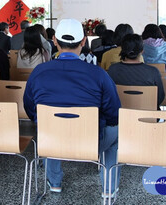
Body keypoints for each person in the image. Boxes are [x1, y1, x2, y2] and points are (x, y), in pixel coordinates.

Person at [23, 19, 121, 197]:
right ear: (83, 42)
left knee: (48, 126)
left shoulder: (39, 72)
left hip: (52, 139)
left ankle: (54, 182)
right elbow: (114, 112)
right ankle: (108, 189)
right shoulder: (99, 73)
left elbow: (30, 108)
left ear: (54, 41)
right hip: (90, 142)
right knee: (115, 132)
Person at [107, 34, 164, 108]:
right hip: (148, 117)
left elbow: (109, 96)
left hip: (120, 116)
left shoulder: (112, 70)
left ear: (122, 49)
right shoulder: (153, 72)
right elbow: (160, 98)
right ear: (142, 51)